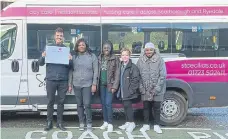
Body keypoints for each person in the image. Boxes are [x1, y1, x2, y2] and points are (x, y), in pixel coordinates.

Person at [38, 27, 72, 131]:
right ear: (54, 36)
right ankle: (49, 123)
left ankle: (59, 123)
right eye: (57, 36)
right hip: (51, 79)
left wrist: (70, 60)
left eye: (61, 36)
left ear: (63, 37)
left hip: (63, 80)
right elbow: (40, 63)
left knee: (61, 103)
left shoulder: (67, 49)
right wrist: (43, 56)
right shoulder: (49, 48)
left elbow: (71, 66)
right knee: (50, 102)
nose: (59, 37)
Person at [68, 38, 98, 132]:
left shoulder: (92, 56)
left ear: (86, 46)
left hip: (88, 84)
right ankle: (81, 122)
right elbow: (70, 71)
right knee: (79, 104)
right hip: (76, 84)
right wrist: (69, 84)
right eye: (79, 45)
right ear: (77, 46)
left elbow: (96, 71)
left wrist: (94, 84)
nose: (81, 46)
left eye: (83, 45)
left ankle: (89, 123)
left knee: (87, 104)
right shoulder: (73, 57)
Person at [136, 42, 167, 134]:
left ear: (154, 50)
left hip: (157, 88)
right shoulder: (140, 60)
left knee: (156, 107)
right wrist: (141, 87)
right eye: (147, 50)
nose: (148, 51)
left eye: (151, 50)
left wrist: (157, 88)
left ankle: (157, 125)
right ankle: (146, 125)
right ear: (144, 50)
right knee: (146, 107)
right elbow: (137, 75)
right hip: (145, 88)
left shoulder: (160, 60)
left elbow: (163, 75)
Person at [97, 40, 120, 132]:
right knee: (103, 104)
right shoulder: (99, 57)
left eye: (108, 48)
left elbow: (117, 73)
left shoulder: (115, 58)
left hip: (110, 85)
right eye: (105, 47)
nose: (106, 49)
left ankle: (110, 123)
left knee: (108, 103)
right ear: (102, 49)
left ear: (111, 49)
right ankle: (105, 121)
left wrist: (115, 86)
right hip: (101, 85)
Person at [117, 47, 140, 133]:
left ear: (129, 56)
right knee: (125, 107)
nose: (124, 57)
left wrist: (131, 91)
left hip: (128, 92)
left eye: (126, 55)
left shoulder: (133, 67)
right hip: (123, 92)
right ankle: (127, 122)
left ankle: (132, 123)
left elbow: (135, 80)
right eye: (123, 55)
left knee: (129, 108)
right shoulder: (121, 65)